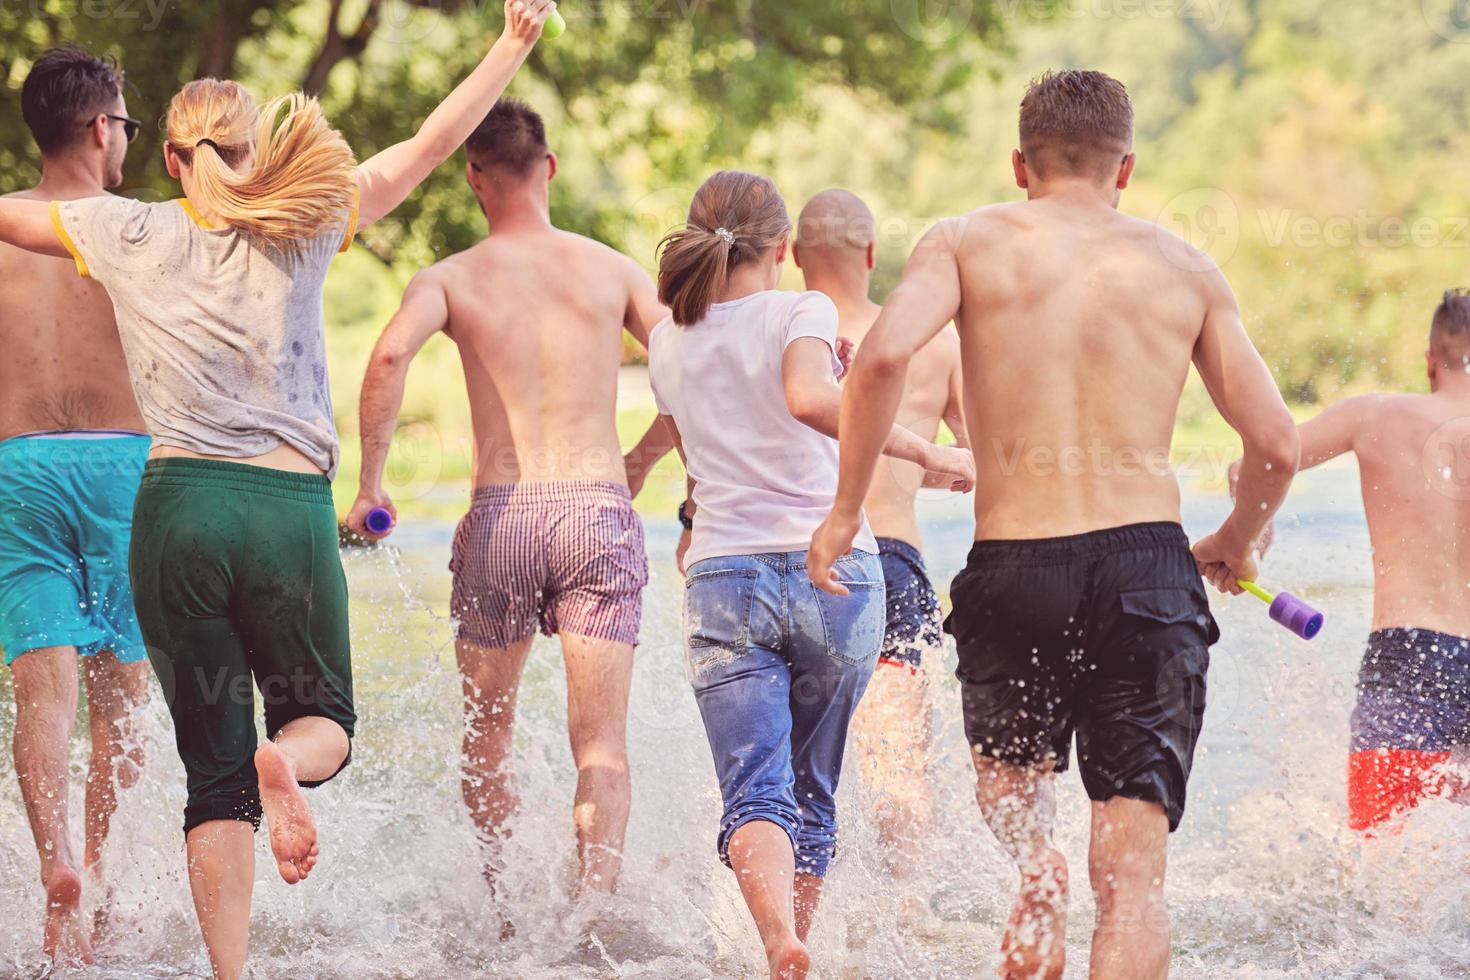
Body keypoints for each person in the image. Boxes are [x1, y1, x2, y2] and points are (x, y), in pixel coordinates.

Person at [0, 4, 557, 977]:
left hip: (172, 512)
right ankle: (286, 761)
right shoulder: (313, 219)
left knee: (210, 778)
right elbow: (431, 143)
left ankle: (227, 969)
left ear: (170, 159)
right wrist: (511, 43)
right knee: (322, 723)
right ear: (255, 151)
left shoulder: (120, 227)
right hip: (283, 509)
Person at [808, 71, 1301, 980]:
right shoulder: (1186, 267)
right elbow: (1276, 443)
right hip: (1146, 570)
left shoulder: (963, 241)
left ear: (1018, 165)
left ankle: (1035, 877)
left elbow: (878, 358)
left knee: (1027, 831)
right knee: (1133, 886)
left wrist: (846, 510)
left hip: (1016, 568)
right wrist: (1236, 539)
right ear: (1128, 167)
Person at [649, 170, 974, 980]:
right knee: (813, 784)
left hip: (724, 576)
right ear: (782, 248)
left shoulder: (664, 338)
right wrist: (925, 449)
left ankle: (775, 945)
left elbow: (698, 462)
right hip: (837, 574)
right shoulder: (805, 309)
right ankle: (804, 935)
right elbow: (807, 398)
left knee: (753, 787)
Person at [347, 98, 665, 906]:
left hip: (501, 517)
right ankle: (590, 921)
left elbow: (389, 355)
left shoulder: (449, 278)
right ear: (549, 168)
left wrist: (372, 485)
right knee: (602, 746)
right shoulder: (612, 269)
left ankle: (507, 912)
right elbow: (696, 369)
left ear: (473, 178)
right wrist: (645, 461)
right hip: (596, 509)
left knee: (487, 734)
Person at [0, 46, 150, 967]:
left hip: (19, 466)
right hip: (128, 468)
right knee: (121, 700)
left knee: (39, 689)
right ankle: (101, 876)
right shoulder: (146, 229)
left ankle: (53, 861)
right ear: (102, 129)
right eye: (128, 123)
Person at [791, 188, 967, 920]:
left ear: (795, 259)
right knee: (898, 761)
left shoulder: (784, 339)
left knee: (794, 759)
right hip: (892, 558)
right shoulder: (932, 342)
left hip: (796, 563)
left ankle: (803, 913)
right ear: (871, 256)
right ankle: (907, 910)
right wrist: (922, 463)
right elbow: (976, 457)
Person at [1283, 290, 1470, 831]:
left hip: (1412, 658)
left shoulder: (1377, 414)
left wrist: (1244, 536)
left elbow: (1268, 457)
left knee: (1389, 860)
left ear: (1430, 361)